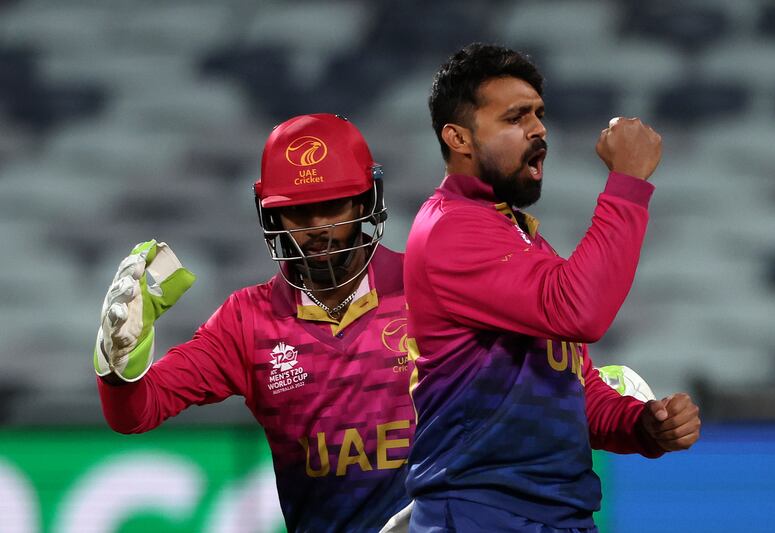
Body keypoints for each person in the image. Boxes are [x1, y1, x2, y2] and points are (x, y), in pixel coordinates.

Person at [403, 43, 701, 532]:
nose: (539, 129)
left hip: (554, 517)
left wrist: (642, 424)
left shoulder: (516, 237)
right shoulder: (451, 230)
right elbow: (580, 311)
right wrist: (627, 181)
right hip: (484, 517)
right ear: (459, 138)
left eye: (539, 114)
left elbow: (571, 386)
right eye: (516, 117)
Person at [93, 113, 417, 532]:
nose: (318, 228)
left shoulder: (429, 291)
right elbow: (134, 415)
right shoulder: (247, 321)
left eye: (332, 207)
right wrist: (119, 363)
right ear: (272, 217)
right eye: (299, 212)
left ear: (364, 200)